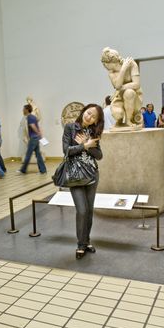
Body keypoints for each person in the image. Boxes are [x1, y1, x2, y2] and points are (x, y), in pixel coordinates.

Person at [62, 104, 104, 259]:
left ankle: (86, 241)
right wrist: (84, 145)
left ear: (95, 122)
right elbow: (66, 150)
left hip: (92, 174)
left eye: (93, 117)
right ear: (83, 111)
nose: (89, 117)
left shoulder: (93, 133)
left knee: (89, 211)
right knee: (82, 210)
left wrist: (88, 144)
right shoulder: (70, 128)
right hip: (75, 175)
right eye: (88, 113)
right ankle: (80, 244)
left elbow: (99, 155)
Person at [18, 104, 47, 174]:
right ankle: (43, 170)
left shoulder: (29, 117)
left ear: (27, 110)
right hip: (36, 138)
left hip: (33, 138)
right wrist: (40, 134)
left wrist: (37, 133)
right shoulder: (34, 117)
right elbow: (38, 126)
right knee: (38, 155)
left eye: (23, 109)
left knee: (28, 154)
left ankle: (23, 170)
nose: (23, 110)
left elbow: (33, 126)